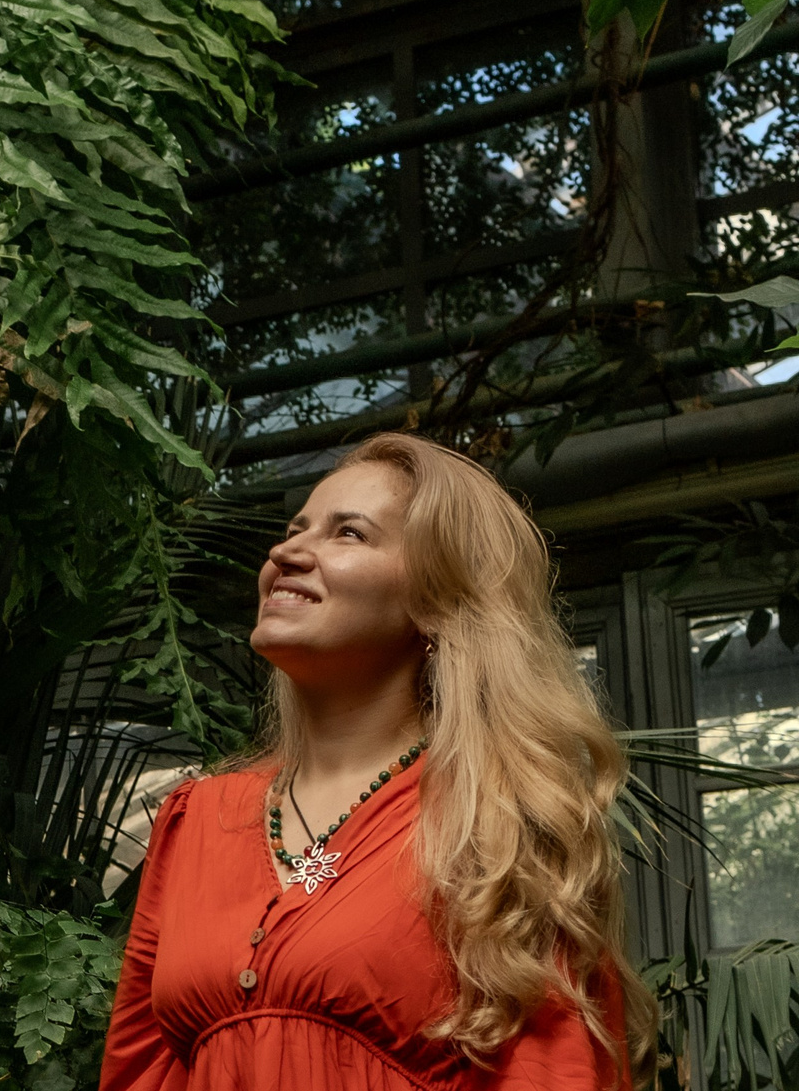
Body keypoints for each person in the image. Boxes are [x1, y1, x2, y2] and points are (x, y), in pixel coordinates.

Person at [99, 433, 652, 1090]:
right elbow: (138, 1073)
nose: (285, 552)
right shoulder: (194, 820)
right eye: (294, 528)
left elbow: (551, 1075)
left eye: (348, 533)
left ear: (439, 599)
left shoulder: (502, 815)